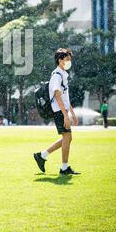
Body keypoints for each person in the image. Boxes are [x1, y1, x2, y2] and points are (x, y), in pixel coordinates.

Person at [33, 48, 80, 176]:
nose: (69, 61)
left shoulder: (63, 74)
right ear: (60, 60)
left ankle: (42, 155)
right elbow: (57, 95)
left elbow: (65, 97)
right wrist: (65, 115)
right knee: (67, 137)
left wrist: (72, 113)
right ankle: (64, 168)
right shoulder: (57, 75)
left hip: (62, 110)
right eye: (67, 59)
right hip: (59, 111)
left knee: (67, 138)